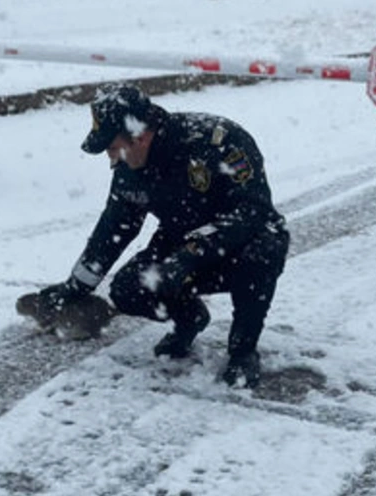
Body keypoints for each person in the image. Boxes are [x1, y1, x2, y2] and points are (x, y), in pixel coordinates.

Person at [32, 83, 290, 388]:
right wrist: (76, 287)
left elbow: (252, 212)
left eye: (113, 147)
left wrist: (193, 253)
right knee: (128, 289)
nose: (111, 158)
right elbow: (114, 228)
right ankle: (189, 319)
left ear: (140, 136)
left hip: (246, 240)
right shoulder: (131, 167)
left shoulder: (218, 141)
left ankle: (243, 350)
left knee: (259, 256)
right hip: (180, 243)